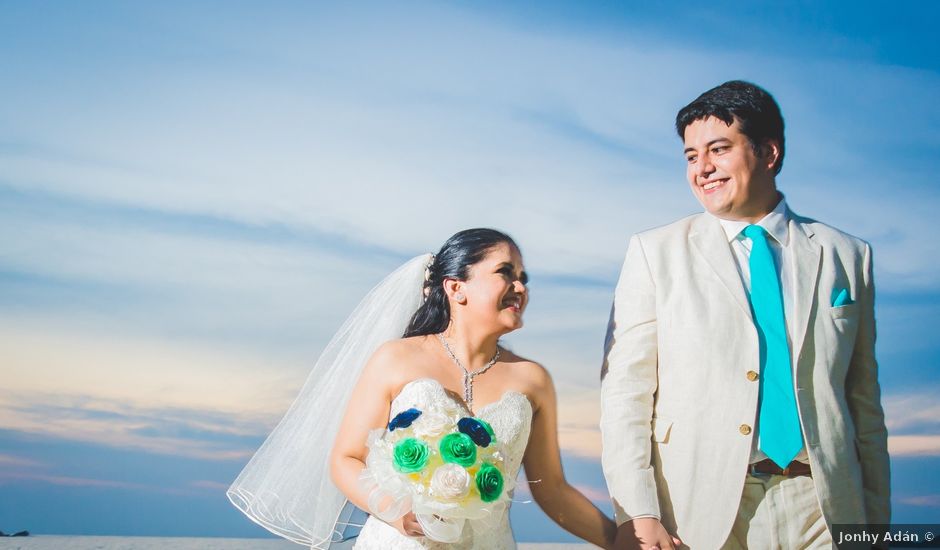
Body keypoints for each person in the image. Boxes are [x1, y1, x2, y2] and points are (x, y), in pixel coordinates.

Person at [600, 81, 890, 549]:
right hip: (704, 508)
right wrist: (638, 514)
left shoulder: (848, 255)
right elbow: (625, 395)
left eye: (718, 149)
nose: (703, 168)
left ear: (769, 152)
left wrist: (874, 526)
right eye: (691, 156)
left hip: (826, 503)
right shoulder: (654, 253)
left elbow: (864, 403)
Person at [230, 228, 616, 549]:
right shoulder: (396, 358)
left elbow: (552, 491)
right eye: (505, 272)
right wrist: (396, 510)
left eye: (524, 278)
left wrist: (625, 542)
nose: (520, 287)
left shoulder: (533, 380)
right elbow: (345, 459)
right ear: (455, 288)